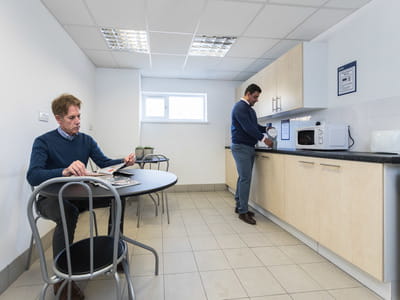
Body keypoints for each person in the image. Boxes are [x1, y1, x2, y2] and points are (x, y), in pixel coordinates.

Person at [27, 94, 135, 300]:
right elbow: (33, 174)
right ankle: (62, 280)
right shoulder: (43, 142)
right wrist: (64, 171)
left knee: (117, 197)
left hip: (79, 196)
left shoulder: (86, 140)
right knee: (68, 211)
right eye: (72, 118)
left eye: (79, 116)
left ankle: (114, 251)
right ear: (58, 119)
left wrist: (123, 161)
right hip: (50, 200)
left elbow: (103, 162)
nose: (78, 121)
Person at [231, 84, 273, 225]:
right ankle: (243, 212)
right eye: (255, 96)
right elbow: (248, 128)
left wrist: (266, 128)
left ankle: (239, 206)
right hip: (241, 147)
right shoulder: (240, 107)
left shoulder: (249, 110)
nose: (257, 99)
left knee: (243, 178)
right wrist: (264, 139)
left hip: (247, 147)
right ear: (248, 94)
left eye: (258, 97)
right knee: (245, 179)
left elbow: (254, 126)